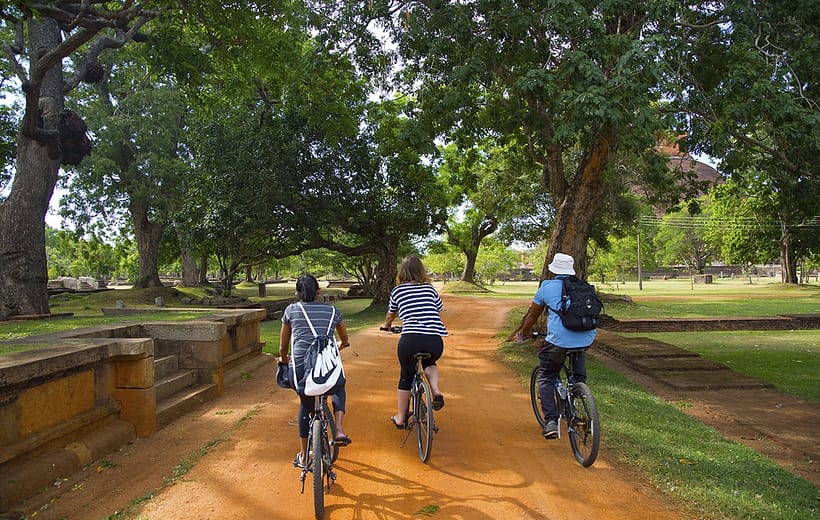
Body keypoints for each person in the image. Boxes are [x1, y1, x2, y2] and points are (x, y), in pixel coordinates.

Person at [518, 252, 596, 439]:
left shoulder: (547, 287)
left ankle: (551, 421)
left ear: (553, 270)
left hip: (558, 342)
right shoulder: (584, 287)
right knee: (577, 374)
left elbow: (532, 315)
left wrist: (524, 332)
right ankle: (578, 392)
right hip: (587, 338)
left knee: (546, 377)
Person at [279, 274, 351, 468]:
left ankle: (304, 456)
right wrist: (341, 345)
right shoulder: (332, 310)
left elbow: (283, 348)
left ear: (297, 293)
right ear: (318, 291)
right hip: (327, 365)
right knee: (338, 386)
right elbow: (344, 339)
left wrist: (284, 360)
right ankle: (338, 429)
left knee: (305, 403)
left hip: (301, 368)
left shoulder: (291, 310)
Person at [383, 254, 448, 429]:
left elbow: (391, 314)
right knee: (430, 361)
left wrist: (387, 325)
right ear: (421, 270)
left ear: (402, 271)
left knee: (406, 376)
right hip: (434, 340)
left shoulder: (398, 291)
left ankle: (401, 417)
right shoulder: (430, 289)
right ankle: (435, 390)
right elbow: (439, 309)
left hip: (410, 339)